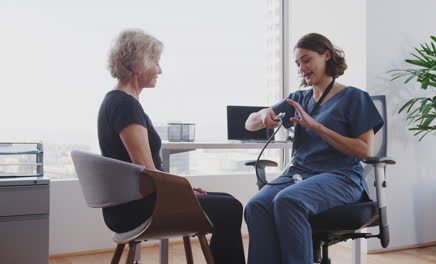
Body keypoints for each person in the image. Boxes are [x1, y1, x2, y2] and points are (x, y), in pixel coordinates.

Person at [97, 29, 245, 264]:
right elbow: (147, 170)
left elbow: (146, 173)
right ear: (138, 64)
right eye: (156, 62)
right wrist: (183, 193)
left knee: (225, 199)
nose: (160, 70)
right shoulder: (124, 105)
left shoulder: (116, 101)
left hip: (129, 205)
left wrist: (184, 193)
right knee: (230, 207)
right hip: (140, 210)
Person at [244, 33, 384, 264]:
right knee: (257, 205)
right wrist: (262, 115)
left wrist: (316, 126)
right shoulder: (298, 98)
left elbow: (364, 151)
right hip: (298, 175)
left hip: (341, 177)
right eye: (298, 63)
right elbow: (249, 124)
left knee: (288, 200)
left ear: (326, 55)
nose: (302, 68)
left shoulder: (355, 98)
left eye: (306, 60)